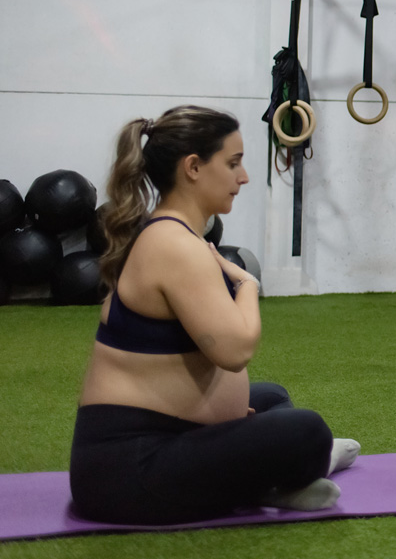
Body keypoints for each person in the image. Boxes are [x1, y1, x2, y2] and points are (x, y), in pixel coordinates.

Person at [70, 106, 359, 525]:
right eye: (233, 163)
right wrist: (248, 287)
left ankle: (264, 477)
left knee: (271, 397)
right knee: (307, 431)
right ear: (193, 168)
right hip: (129, 476)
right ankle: (284, 473)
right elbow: (235, 350)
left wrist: (221, 412)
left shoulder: (172, 233)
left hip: (151, 445)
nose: (243, 177)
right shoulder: (175, 246)